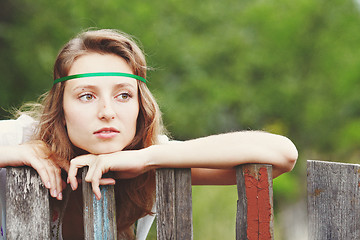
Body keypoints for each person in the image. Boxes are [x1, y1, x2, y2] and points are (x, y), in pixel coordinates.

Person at [0, 29, 298, 239]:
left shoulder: (148, 157)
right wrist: (13, 153)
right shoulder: (24, 139)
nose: (107, 111)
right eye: (87, 96)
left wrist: (148, 159)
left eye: (124, 95)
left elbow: (282, 154)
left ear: (141, 107)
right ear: (61, 109)